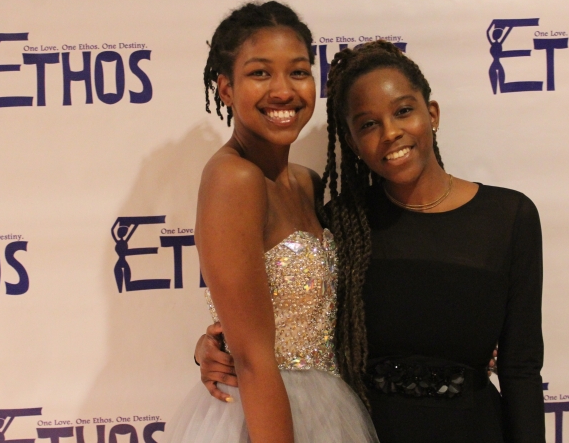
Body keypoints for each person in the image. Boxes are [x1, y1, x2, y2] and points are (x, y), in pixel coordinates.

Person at [197, 41, 545, 442]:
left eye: (402, 111)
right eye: (367, 124)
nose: (391, 133)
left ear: (431, 114)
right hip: (363, 431)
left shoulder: (509, 216)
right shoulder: (344, 224)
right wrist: (213, 348)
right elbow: (294, 314)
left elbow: (521, 369)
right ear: (352, 142)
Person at [166, 1, 377, 443]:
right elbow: (254, 360)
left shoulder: (306, 182)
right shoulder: (233, 178)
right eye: (260, 73)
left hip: (326, 408)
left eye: (298, 72)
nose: (283, 91)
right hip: (262, 415)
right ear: (225, 88)